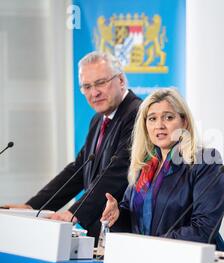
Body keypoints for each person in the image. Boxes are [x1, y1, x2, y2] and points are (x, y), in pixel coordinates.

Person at [3, 51, 142, 240]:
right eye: (87, 86)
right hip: (98, 231)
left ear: (121, 80)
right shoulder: (98, 119)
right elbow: (78, 170)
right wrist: (33, 206)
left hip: (125, 231)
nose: (94, 92)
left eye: (101, 82)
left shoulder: (138, 114)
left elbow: (117, 173)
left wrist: (75, 212)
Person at [100, 88, 224, 257]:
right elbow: (133, 218)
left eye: (168, 117)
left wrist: (154, 246)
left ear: (184, 122)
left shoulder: (205, 161)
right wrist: (118, 215)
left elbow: (204, 228)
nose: (159, 125)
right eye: (152, 119)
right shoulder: (144, 166)